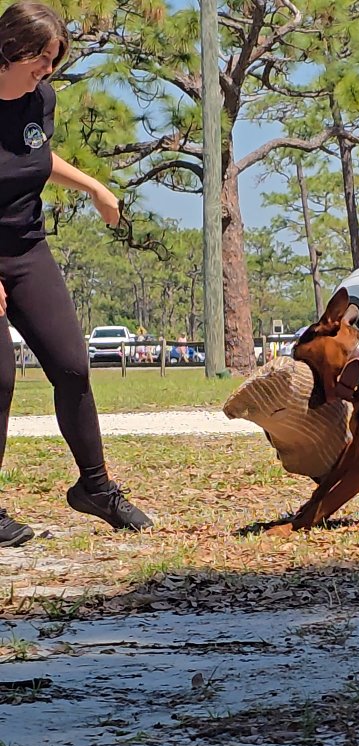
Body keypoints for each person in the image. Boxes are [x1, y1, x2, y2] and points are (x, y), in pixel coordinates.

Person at [0, 1, 153, 546]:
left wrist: (93, 186)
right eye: (41, 59)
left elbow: (33, 158)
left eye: (54, 61)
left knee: (71, 365)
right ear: (10, 50)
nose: (48, 71)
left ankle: (95, 489)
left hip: (25, 248)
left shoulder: (40, 99)